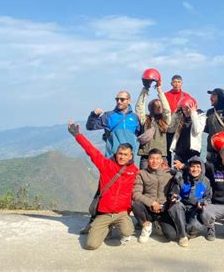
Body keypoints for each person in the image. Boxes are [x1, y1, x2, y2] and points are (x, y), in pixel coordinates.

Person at [67, 122, 138, 250]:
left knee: (127, 231)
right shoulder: (106, 165)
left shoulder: (134, 171)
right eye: (120, 154)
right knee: (91, 245)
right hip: (104, 213)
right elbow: (91, 150)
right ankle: (105, 227)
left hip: (121, 213)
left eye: (125, 155)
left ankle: (114, 226)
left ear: (130, 156)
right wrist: (77, 135)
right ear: (116, 153)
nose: (122, 157)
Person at [132, 148, 189, 247]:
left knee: (171, 236)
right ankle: (146, 226)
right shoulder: (142, 174)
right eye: (152, 158)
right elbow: (136, 194)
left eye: (157, 158)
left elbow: (192, 172)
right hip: (149, 208)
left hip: (164, 209)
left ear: (162, 160)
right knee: (136, 204)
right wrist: (152, 203)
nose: (154, 161)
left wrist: (183, 167)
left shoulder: (169, 173)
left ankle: (159, 223)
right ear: (147, 160)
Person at [86, 90, 140, 158]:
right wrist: (93, 115)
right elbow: (90, 127)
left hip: (129, 159)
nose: (119, 101)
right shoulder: (108, 116)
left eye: (122, 99)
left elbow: (141, 135)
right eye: (117, 99)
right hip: (112, 158)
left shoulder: (135, 117)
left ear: (129, 100)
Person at [172, 156, 212, 239]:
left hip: (195, 210)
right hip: (182, 207)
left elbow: (207, 198)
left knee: (196, 226)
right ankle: (182, 234)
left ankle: (184, 230)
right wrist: (177, 197)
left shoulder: (206, 181)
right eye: (193, 166)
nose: (195, 169)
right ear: (189, 168)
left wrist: (202, 203)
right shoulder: (182, 178)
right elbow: (175, 192)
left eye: (198, 167)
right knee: (176, 206)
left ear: (202, 169)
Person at [135, 82, 171, 169]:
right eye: (156, 105)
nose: (159, 107)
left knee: (163, 181)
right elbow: (139, 107)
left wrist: (160, 92)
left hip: (161, 156)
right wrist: (145, 89)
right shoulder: (145, 120)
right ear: (151, 107)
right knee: (144, 180)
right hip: (146, 155)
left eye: (160, 105)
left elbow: (167, 110)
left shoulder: (165, 120)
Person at [169, 98, 206, 165]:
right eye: (183, 109)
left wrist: (193, 113)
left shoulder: (200, 116)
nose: (185, 111)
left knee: (191, 172)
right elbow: (170, 128)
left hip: (193, 152)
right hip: (179, 152)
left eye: (187, 108)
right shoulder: (180, 117)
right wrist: (175, 114)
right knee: (177, 174)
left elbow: (197, 130)